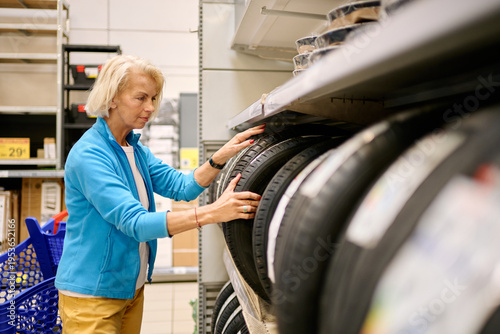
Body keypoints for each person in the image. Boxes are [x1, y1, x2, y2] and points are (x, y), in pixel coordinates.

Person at [54, 55, 264, 334]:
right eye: (141, 97)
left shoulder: (133, 148)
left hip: (130, 289)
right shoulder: (90, 155)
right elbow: (136, 224)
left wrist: (220, 157)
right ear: (112, 97)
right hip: (93, 296)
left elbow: (182, 187)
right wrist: (213, 212)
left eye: (153, 98)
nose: (150, 107)